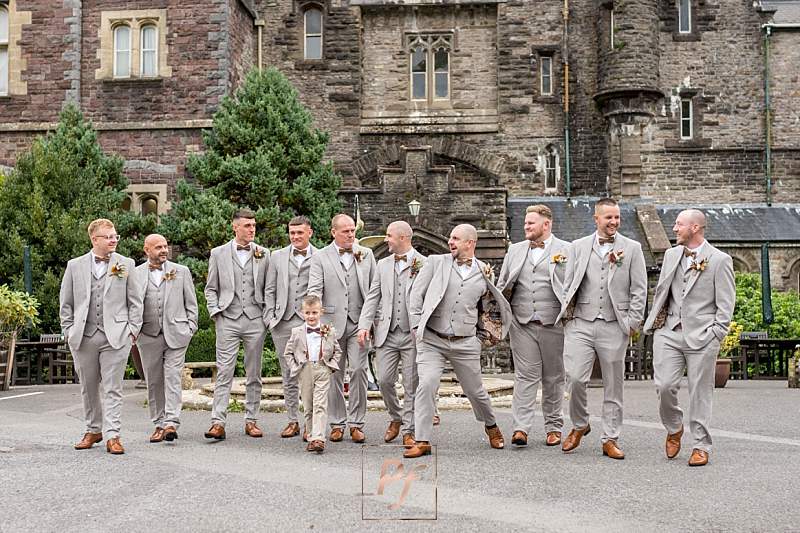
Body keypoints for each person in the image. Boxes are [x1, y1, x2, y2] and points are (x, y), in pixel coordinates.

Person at [404, 224, 512, 458]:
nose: (450, 242)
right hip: (432, 339)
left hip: (465, 342)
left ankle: (491, 425)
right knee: (427, 384)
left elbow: (488, 307)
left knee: (476, 391)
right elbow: (415, 294)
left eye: (455, 238)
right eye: (450, 238)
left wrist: (479, 339)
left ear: (470, 243)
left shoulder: (484, 272)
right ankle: (422, 440)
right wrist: (415, 326)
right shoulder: (435, 262)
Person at [556, 198, 647, 460]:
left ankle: (610, 437)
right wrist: (569, 317)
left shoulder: (632, 248)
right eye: (609, 217)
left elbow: (639, 289)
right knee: (574, 378)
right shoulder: (577, 246)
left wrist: (632, 323)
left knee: (613, 385)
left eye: (617, 218)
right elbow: (568, 283)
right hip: (580, 323)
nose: (614, 222)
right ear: (596, 219)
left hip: (614, 324)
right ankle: (580, 423)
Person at [643, 209, 735, 467]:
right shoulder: (672, 255)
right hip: (669, 332)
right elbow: (663, 293)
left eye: (679, 224)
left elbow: (726, 304)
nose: (674, 229)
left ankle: (700, 446)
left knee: (700, 392)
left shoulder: (719, 260)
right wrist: (656, 326)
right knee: (663, 386)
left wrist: (716, 332)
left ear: (695, 228)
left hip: (703, 335)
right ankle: (674, 428)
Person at [59, 218, 142, 454]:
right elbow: (66, 302)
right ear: (94, 239)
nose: (114, 239)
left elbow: (135, 301)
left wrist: (132, 330)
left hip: (116, 335)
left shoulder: (126, 264)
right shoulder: (74, 265)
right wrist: (69, 330)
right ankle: (93, 429)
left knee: (113, 387)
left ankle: (113, 435)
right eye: (108, 236)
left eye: (115, 236)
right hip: (84, 336)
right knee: (88, 386)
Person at [496, 205, 570, 447]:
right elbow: (502, 284)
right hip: (522, 322)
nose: (525, 226)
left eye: (530, 223)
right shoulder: (514, 250)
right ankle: (521, 428)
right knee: (525, 376)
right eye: (526, 223)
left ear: (546, 225)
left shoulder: (567, 250)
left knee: (553, 378)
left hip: (554, 323)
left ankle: (553, 427)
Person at [307, 214, 376, 443]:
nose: (350, 234)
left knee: (359, 370)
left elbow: (375, 290)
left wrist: (371, 321)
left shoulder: (366, 254)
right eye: (345, 231)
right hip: (331, 325)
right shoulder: (319, 257)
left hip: (360, 323)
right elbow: (314, 289)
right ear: (333, 232)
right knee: (334, 374)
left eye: (352, 230)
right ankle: (337, 422)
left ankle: (357, 423)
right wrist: (315, 320)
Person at [204, 209, 270, 441]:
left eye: (253, 225)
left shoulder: (264, 253)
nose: (252, 229)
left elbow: (268, 289)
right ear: (235, 227)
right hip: (228, 319)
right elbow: (211, 288)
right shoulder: (218, 253)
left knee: (254, 373)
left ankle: (251, 420)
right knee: (224, 372)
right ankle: (217, 422)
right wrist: (216, 313)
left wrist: (266, 317)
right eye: (247, 226)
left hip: (255, 320)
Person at [358, 221, 425, 447]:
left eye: (389, 235)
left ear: (403, 238)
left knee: (411, 384)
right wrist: (364, 325)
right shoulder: (383, 264)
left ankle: (409, 429)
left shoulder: (424, 264)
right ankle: (396, 416)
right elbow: (373, 296)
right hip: (386, 332)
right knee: (385, 380)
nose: (385, 239)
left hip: (412, 334)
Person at [135, 234, 198, 443]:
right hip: (148, 335)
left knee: (172, 376)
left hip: (177, 333)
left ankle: (171, 422)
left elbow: (191, 303)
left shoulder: (181, 271)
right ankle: (158, 423)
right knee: (153, 381)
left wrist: (190, 328)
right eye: (158, 247)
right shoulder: (135, 274)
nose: (164, 250)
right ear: (147, 250)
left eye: (165, 246)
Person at [264, 216, 316, 439]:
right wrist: (270, 317)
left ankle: (310, 423)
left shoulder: (321, 257)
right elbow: (269, 289)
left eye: (299, 233)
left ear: (309, 233)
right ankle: (292, 420)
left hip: (308, 323)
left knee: (310, 373)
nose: (295, 237)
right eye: (292, 233)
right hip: (283, 322)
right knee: (288, 372)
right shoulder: (277, 256)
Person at [283, 295, 342, 454]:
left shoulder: (329, 330)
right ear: (302, 313)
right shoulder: (296, 332)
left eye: (314, 312)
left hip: (322, 369)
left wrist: (330, 367)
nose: (311, 316)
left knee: (320, 404)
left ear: (321, 312)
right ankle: (310, 435)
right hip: (305, 370)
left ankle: (318, 438)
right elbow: (287, 353)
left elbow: (337, 351)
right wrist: (296, 367)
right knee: (309, 406)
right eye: (308, 313)